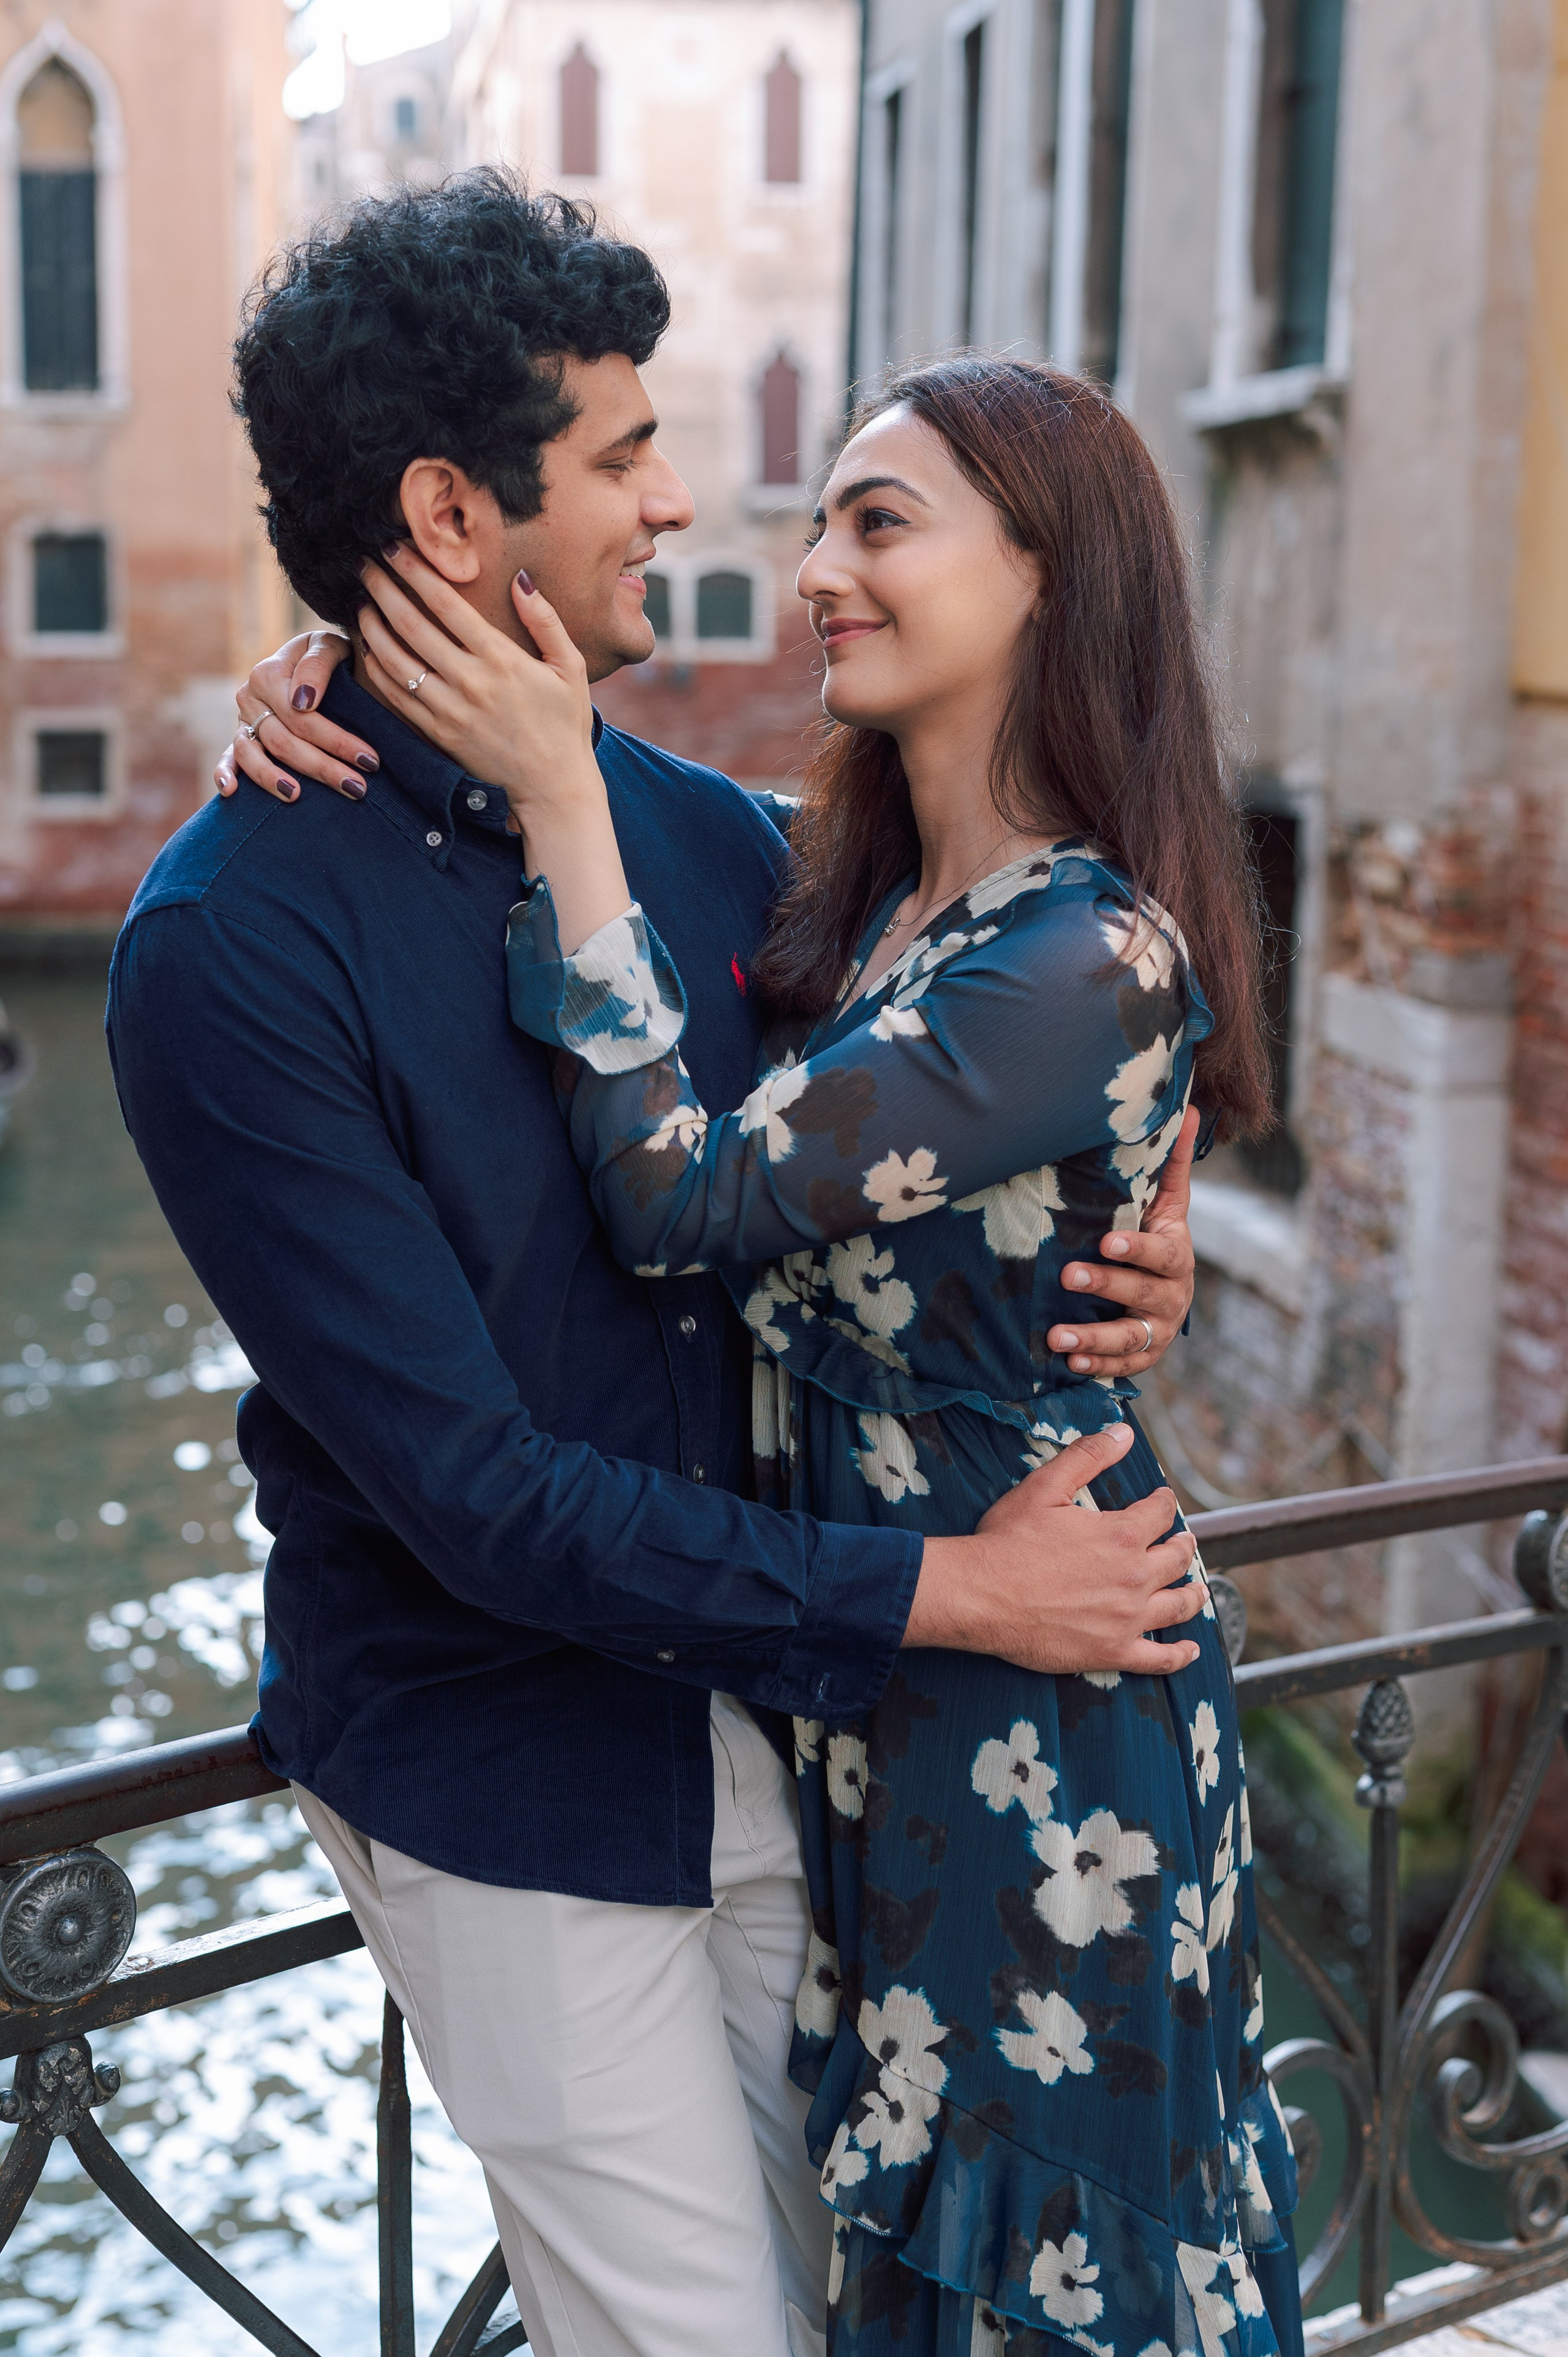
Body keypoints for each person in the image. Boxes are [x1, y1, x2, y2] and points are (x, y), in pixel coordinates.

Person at [116, 172, 1205, 2357]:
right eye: (621, 454)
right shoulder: (228, 947)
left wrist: (1131, 1252)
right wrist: (955, 1597)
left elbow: (920, 1140)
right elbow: (480, 1498)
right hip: (502, 1759)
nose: (682, 503)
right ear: (451, 513)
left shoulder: (709, 842)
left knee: (872, 2305)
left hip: (815, 1733)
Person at [318, 355, 1307, 2357]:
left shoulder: (1079, 962)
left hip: (1050, 1723)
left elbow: (682, 1197)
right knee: (922, 2258)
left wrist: (565, 795)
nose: (815, 572)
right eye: (823, 525)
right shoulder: (869, 908)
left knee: (1043, 2277)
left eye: (880, 524)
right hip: (895, 1682)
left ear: (1049, 575)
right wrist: (333, 655)